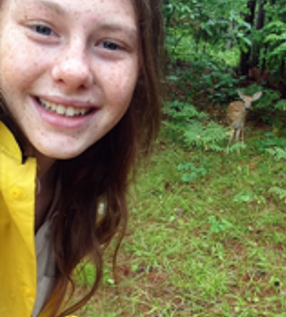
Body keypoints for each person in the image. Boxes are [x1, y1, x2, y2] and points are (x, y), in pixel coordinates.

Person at [0, 0, 164, 316]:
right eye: (42, 29)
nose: (74, 71)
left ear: (140, 68)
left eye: (111, 44)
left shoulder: (76, 176)